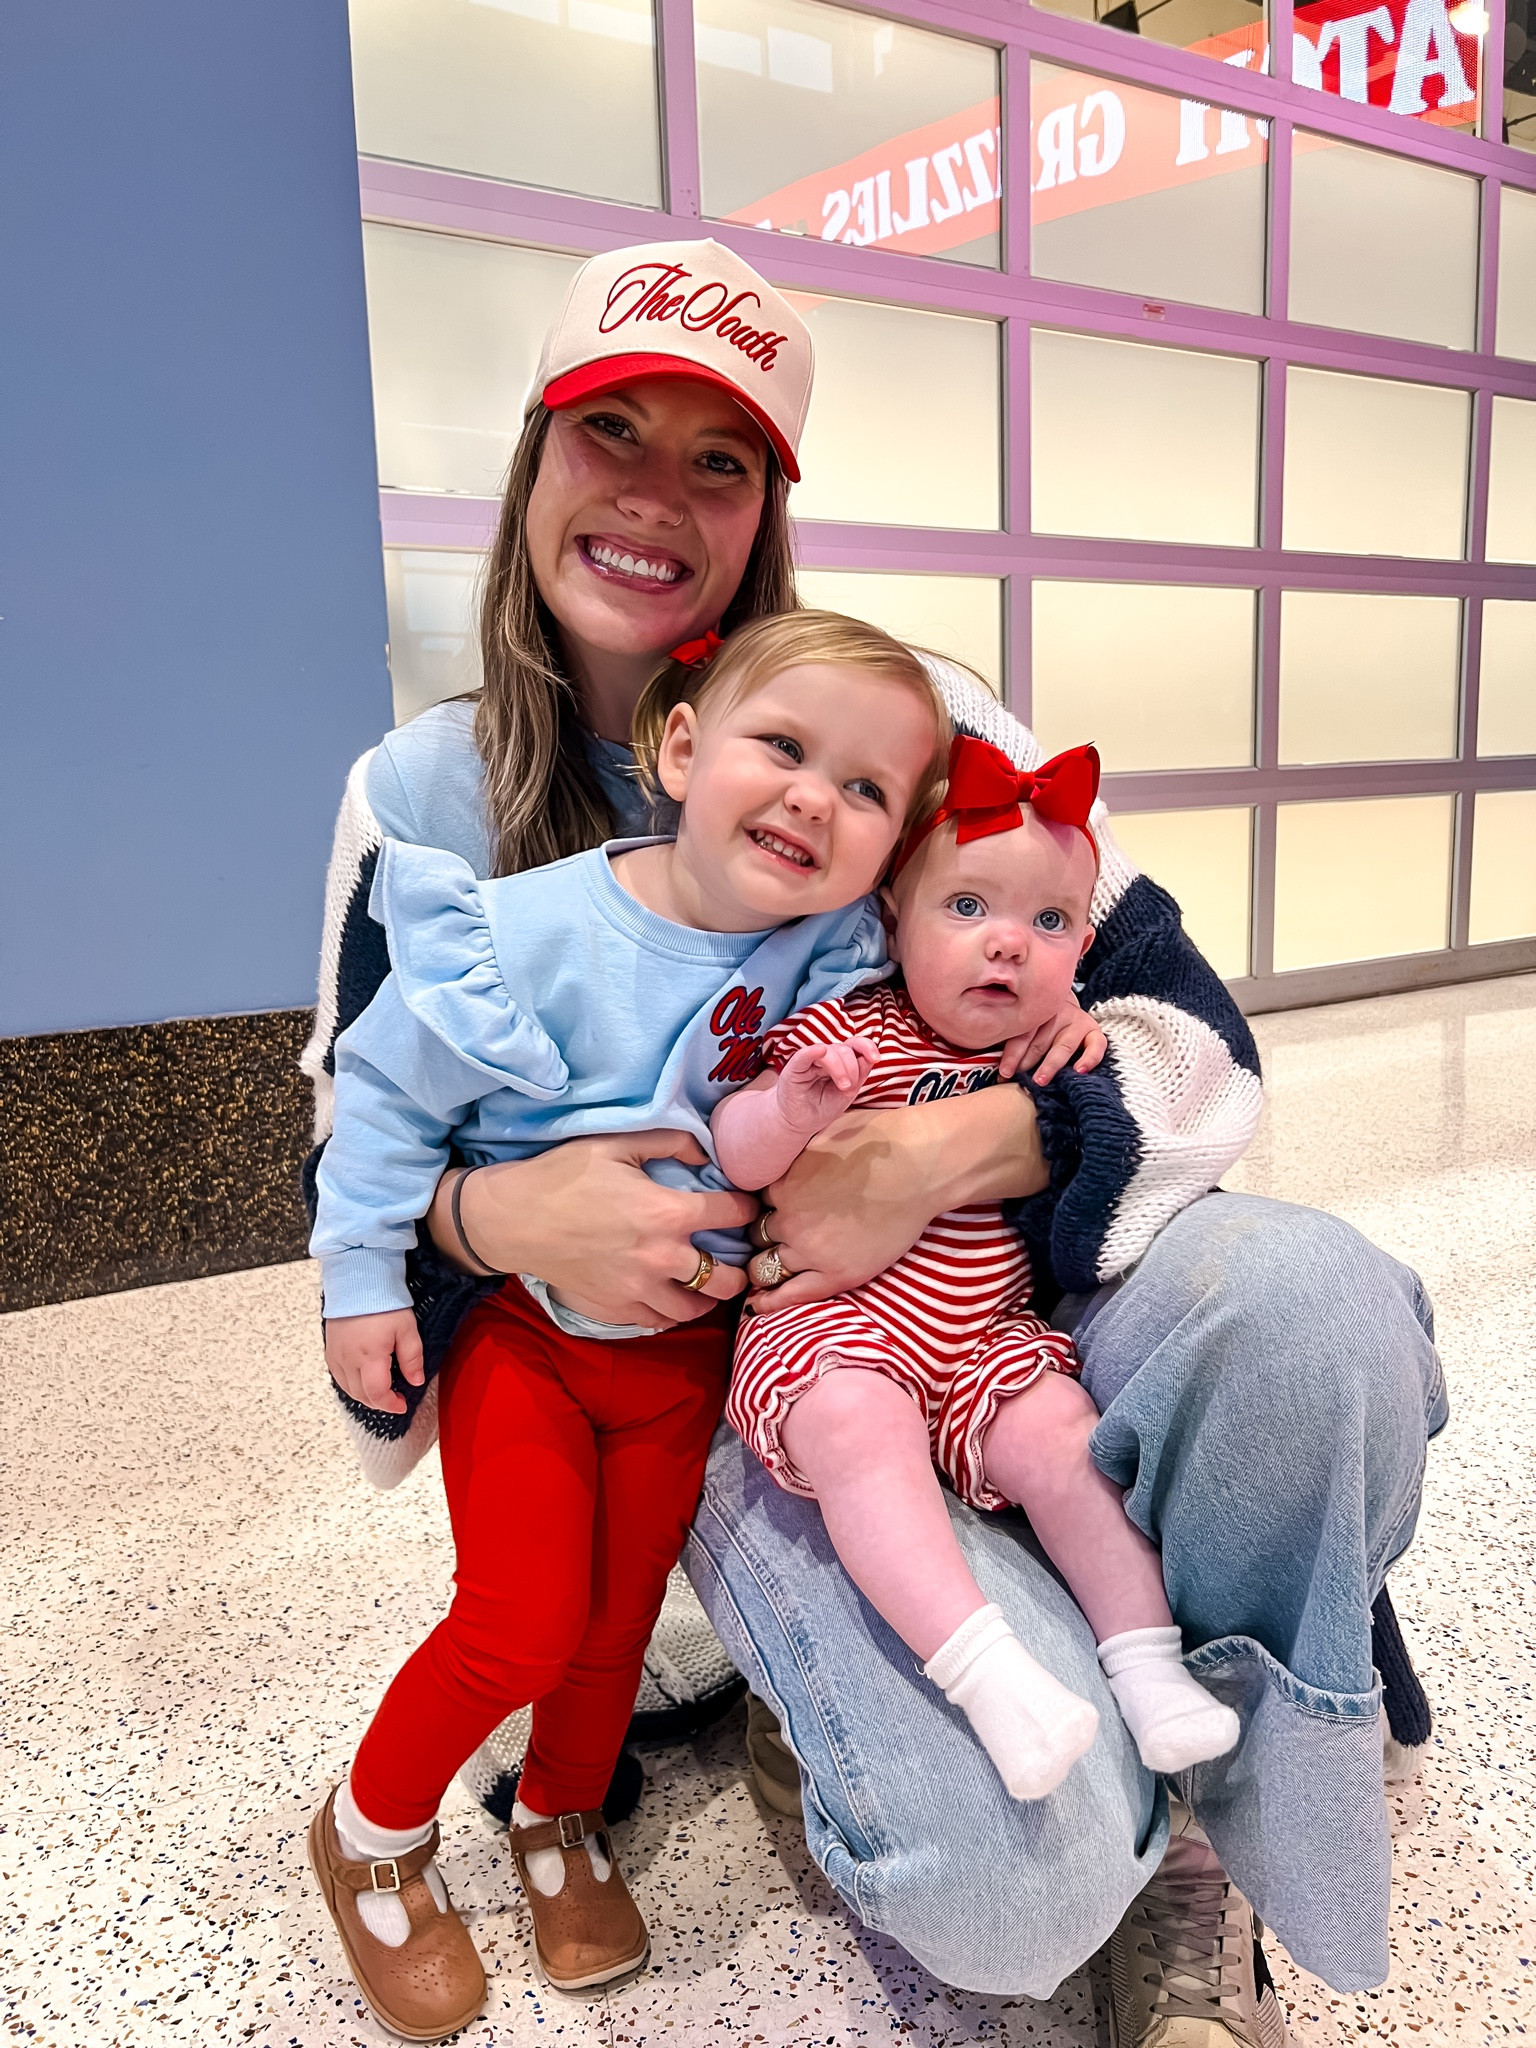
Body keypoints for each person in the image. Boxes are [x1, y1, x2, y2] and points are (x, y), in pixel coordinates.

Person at [301, 235, 1444, 2045]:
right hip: (748, 1378)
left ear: (769, 510)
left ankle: (1208, 1850)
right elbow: (349, 1155)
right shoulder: (427, 803)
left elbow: (1197, 1047)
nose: (657, 498)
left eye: (722, 458)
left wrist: (947, 1145)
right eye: (614, 431)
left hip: (1010, 1315)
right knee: (1009, 1879)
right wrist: (490, 1208)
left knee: (1308, 1294)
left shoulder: (921, 726)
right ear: (533, 455)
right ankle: (939, 1686)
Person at [306, 612, 949, 2034]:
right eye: (782, 748)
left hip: (682, 1363)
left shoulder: (833, 964)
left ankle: (559, 1816)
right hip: (528, 1339)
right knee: (519, 1618)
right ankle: (369, 1830)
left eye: (865, 792)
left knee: (610, 1630)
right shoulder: (523, 927)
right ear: (679, 746)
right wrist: (359, 1274)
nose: (810, 800)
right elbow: (385, 1096)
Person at [715, 735, 1241, 1802]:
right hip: (832, 1331)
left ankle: (1148, 1668)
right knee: (862, 1429)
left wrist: (1081, 1034)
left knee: (1068, 1440)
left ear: (1083, 945)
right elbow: (735, 1146)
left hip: (982, 1335)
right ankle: (991, 1675)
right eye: (966, 909)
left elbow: (1187, 1083)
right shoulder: (844, 1029)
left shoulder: (1054, 1044)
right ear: (890, 921)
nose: (1008, 945)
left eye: (1046, 924)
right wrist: (792, 1108)